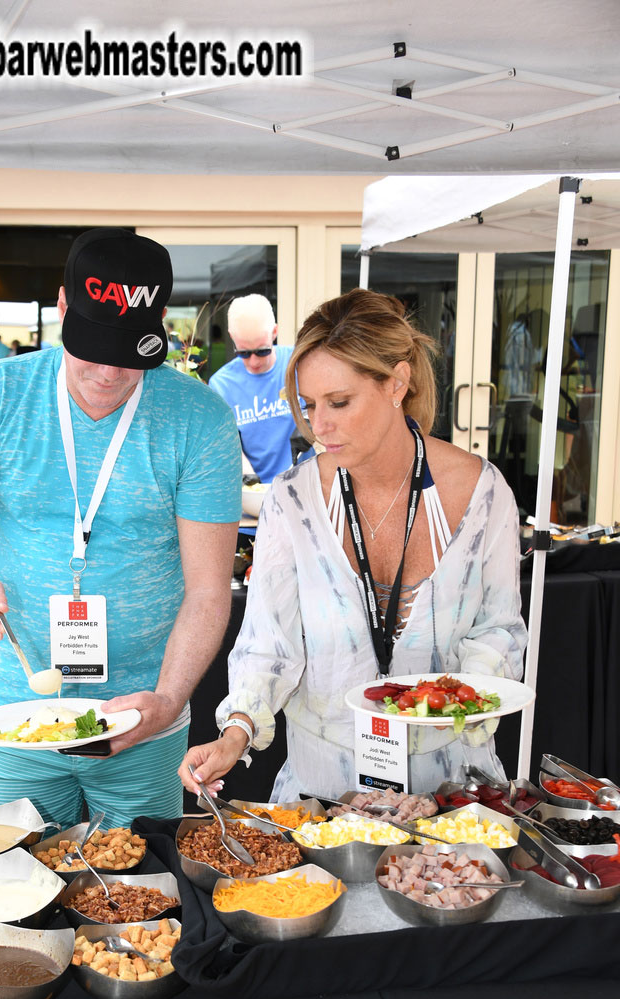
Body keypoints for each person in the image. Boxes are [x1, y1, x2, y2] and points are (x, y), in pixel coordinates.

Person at [0, 227, 242, 829]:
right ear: (61, 307)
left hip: (141, 722)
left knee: (141, 901)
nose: (107, 372)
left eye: (130, 352)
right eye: (92, 347)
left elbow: (209, 591)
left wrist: (168, 702)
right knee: (16, 902)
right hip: (14, 717)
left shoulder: (199, 418)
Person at [179, 289, 528, 802]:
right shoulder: (292, 500)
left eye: (339, 403)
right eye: (309, 406)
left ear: (397, 382)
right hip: (323, 797)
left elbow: (499, 629)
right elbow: (267, 643)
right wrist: (236, 732)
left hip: (455, 797)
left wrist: (456, 703)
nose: (320, 427)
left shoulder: (482, 491)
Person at [209, 294, 296, 481]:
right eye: (244, 353)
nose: (254, 362)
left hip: (304, 487)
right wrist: (248, 477)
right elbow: (228, 444)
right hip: (253, 493)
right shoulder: (221, 384)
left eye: (262, 350)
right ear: (232, 337)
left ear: (274, 332)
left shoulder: (298, 364)